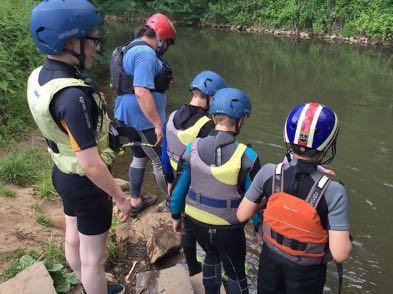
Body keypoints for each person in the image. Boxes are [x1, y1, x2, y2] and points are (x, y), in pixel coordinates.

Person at [27, 1, 130, 293]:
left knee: (73, 237)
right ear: (72, 42)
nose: (96, 48)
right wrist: (120, 197)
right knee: (95, 260)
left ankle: (85, 283)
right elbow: (91, 164)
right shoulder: (73, 96)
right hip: (87, 185)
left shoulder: (39, 76)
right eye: (93, 40)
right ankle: (94, 286)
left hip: (62, 173)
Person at [237, 103, 352, 294]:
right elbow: (340, 254)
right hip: (307, 273)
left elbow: (242, 215)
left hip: (270, 260)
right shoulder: (334, 191)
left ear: (287, 140)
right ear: (328, 146)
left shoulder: (268, 173)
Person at [170, 88, 261, 293]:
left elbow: (179, 189)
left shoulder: (192, 147)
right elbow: (255, 199)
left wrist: (176, 216)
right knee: (236, 273)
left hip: (196, 223)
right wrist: (258, 227)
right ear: (242, 120)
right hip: (228, 229)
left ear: (212, 116)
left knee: (211, 257)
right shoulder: (248, 156)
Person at [162, 70, 227, 276]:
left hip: (176, 181)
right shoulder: (207, 125)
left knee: (185, 226)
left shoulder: (172, 116)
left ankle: (192, 268)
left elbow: (165, 151)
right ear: (212, 98)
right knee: (196, 227)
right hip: (194, 185)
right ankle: (213, 265)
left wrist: (169, 180)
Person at [113, 13, 176, 217]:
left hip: (126, 114)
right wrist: (157, 123)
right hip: (142, 119)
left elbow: (137, 81)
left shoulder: (130, 48)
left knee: (139, 157)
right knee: (161, 160)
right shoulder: (146, 53)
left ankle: (136, 200)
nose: (166, 48)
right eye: (167, 43)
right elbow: (140, 90)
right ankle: (172, 204)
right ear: (160, 39)